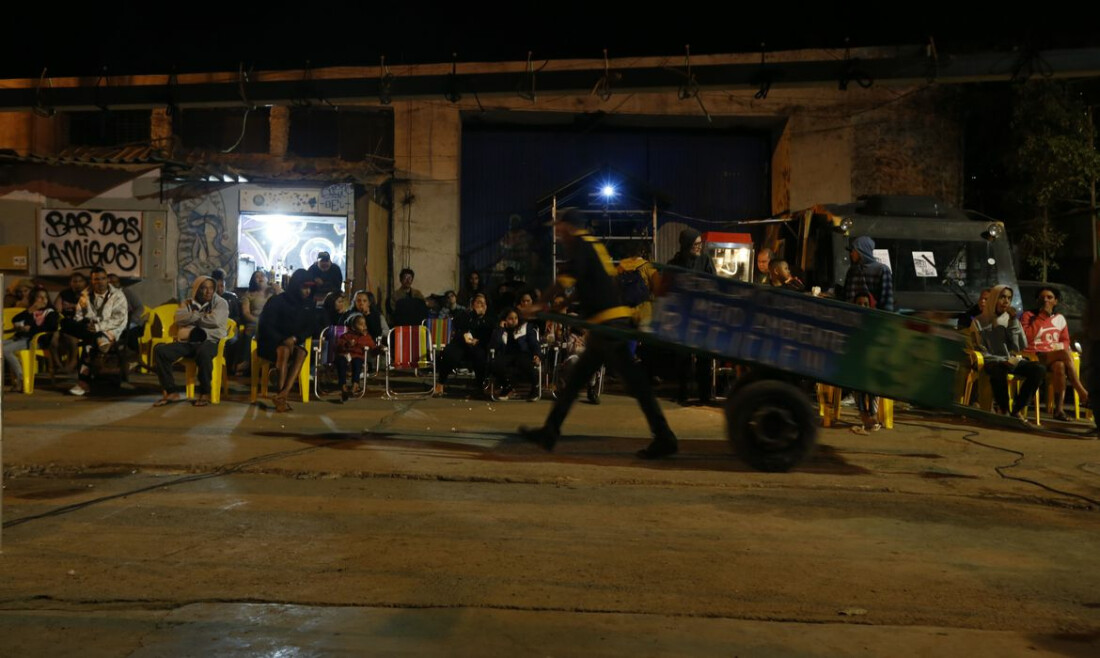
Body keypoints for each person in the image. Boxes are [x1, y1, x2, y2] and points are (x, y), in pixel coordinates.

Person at [519, 208, 678, 459]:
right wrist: (561, 306)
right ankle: (550, 431)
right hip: (608, 325)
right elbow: (588, 285)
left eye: (559, 227)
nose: (557, 233)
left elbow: (563, 281)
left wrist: (541, 304)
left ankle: (665, 436)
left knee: (635, 385)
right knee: (575, 382)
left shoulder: (581, 245)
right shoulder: (593, 247)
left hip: (610, 327)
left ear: (570, 227)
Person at [969, 284, 1045, 423]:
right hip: (990, 360)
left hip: (1010, 359)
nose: (1006, 301)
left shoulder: (1010, 319)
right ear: (994, 298)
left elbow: (1018, 347)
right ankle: (1004, 410)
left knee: (1038, 369)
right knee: (998, 369)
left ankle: (1017, 409)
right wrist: (998, 359)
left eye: (1009, 298)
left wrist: (1013, 322)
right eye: (1002, 297)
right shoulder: (979, 321)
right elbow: (979, 348)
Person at [152, 275, 229, 407]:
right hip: (189, 341)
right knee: (160, 351)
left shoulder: (220, 302)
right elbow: (179, 319)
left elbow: (215, 321)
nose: (208, 291)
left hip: (210, 339)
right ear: (197, 289)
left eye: (211, 288)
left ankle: (205, 392)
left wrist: (192, 319)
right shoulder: (187, 303)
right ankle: (171, 392)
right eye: (204, 288)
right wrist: (201, 315)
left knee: (203, 352)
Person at [1020, 285, 1089, 421]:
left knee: (1060, 366)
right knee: (1063, 354)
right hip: (1033, 356)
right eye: (1042, 297)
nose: (1045, 300)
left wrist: (1058, 346)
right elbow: (1026, 338)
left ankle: (1058, 410)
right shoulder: (1028, 316)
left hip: (1052, 356)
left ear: (1055, 301)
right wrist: (1042, 317)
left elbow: (1065, 340)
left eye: (1049, 297)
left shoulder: (1060, 319)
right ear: (1037, 300)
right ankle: (1082, 392)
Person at [61, 266, 129, 396]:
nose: (100, 282)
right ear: (92, 281)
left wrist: (98, 327)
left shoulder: (117, 295)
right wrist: (87, 324)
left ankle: (83, 383)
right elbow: (78, 316)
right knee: (65, 323)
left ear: (107, 279)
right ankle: (99, 338)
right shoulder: (85, 296)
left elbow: (119, 319)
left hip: (111, 329)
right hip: (91, 329)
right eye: (96, 279)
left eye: (103, 278)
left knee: (87, 346)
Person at [668, 227, 716, 405]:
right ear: (686, 244)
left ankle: (704, 396)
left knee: (704, 357)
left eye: (700, 243)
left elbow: (714, 284)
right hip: (683, 318)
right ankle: (682, 394)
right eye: (695, 244)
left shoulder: (704, 260)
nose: (699, 246)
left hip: (702, 316)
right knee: (683, 358)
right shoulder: (675, 262)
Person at [256, 269, 315, 413]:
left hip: (293, 343)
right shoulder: (277, 301)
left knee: (301, 352)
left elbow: (310, 327)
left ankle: (282, 395)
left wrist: (295, 338)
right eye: (304, 287)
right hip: (271, 343)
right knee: (284, 350)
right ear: (296, 286)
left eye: (309, 288)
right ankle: (281, 397)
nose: (307, 291)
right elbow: (266, 325)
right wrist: (282, 340)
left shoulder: (308, 304)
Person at [435, 293, 493, 396]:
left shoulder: (489, 318)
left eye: (484, 303)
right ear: (472, 304)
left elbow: (489, 334)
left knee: (481, 356)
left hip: (478, 345)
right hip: (461, 343)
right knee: (449, 353)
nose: (482, 305)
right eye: (479, 302)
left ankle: (480, 385)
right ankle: (440, 383)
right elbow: (457, 323)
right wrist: (474, 313)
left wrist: (478, 341)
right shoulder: (466, 314)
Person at [3, 288, 58, 393]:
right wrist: (29, 311)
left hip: (35, 341)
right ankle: (18, 372)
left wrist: (30, 329)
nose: (43, 299)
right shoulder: (32, 311)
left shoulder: (50, 312)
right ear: (33, 299)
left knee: (5, 350)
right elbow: (15, 319)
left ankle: (21, 377)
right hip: (22, 338)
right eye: (40, 297)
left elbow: (51, 327)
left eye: (45, 297)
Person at [489, 307, 542, 401]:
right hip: (507, 355)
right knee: (494, 363)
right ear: (505, 319)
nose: (513, 321)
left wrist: (537, 355)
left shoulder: (525, 327)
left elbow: (534, 343)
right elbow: (494, 345)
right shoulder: (500, 329)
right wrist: (501, 328)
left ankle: (535, 388)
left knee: (524, 362)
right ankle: (507, 387)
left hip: (523, 354)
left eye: (515, 318)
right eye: (510, 318)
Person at [849, 292, 881, 434]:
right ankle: (864, 415)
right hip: (855, 366)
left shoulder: (875, 323)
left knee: (872, 377)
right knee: (858, 378)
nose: (862, 307)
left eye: (865, 304)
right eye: (859, 304)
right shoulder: (850, 322)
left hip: (871, 365)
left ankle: (872, 415)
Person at [236, 270, 276, 375]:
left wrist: (276, 287)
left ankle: (271, 365)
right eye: (257, 277)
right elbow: (246, 313)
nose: (260, 278)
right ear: (253, 281)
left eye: (262, 275)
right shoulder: (249, 294)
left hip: (272, 323)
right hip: (255, 322)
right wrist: (260, 321)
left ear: (267, 278)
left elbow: (285, 300)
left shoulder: (273, 292)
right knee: (251, 330)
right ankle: (246, 362)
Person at [842, 236, 894, 311]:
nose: (851, 254)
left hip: (871, 319)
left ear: (862, 251)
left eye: (853, 250)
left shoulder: (882, 270)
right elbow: (846, 297)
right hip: (851, 317)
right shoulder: (852, 270)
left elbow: (886, 303)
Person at [335, 314, 379, 401]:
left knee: (357, 361)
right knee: (341, 361)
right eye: (360, 324)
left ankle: (355, 385)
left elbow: (373, 350)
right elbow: (339, 346)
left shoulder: (366, 337)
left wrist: (379, 349)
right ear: (353, 326)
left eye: (364, 324)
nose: (364, 326)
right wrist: (347, 344)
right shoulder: (346, 336)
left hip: (357, 357)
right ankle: (343, 386)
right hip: (345, 356)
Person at [51, 272, 88, 373]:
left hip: (80, 323)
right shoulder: (64, 294)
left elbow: (88, 312)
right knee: (54, 340)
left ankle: (72, 363)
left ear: (85, 283)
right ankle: (58, 365)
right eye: (74, 281)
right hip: (64, 322)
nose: (77, 284)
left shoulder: (89, 294)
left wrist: (73, 307)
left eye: (80, 281)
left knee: (72, 338)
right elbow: (57, 310)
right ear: (70, 283)